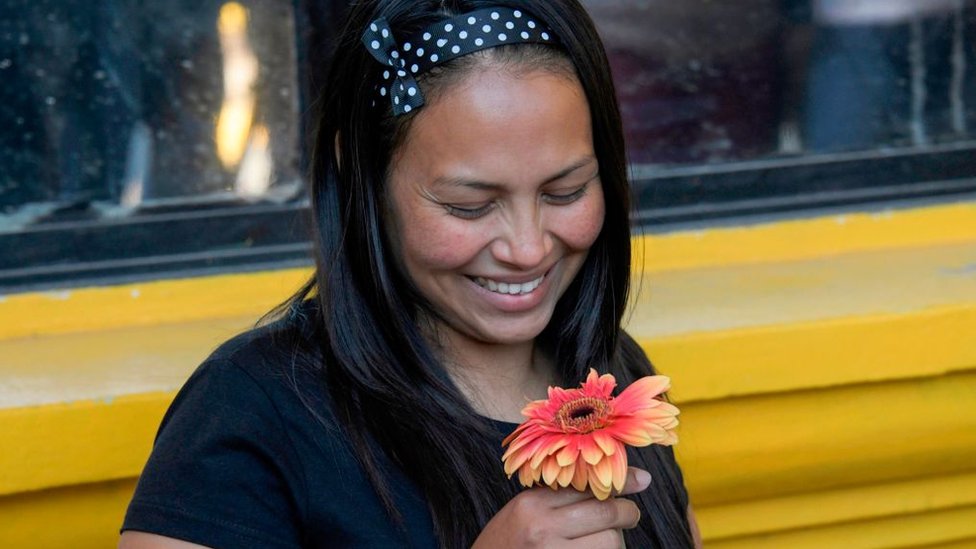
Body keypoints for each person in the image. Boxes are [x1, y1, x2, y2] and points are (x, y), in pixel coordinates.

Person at [119, 1, 700, 547]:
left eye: (565, 191)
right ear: (361, 174)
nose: (527, 249)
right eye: (469, 206)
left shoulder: (613, 380)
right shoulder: (255, 408)